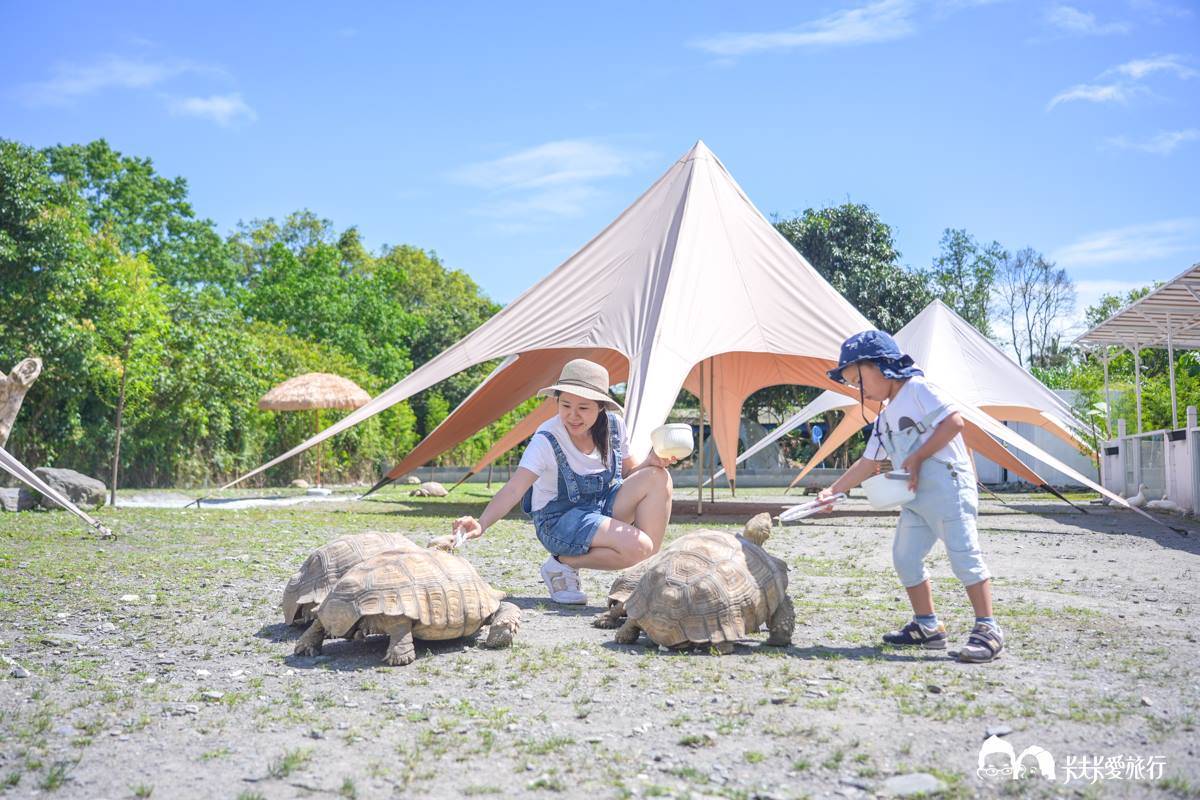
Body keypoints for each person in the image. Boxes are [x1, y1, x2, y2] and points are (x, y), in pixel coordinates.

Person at [815, 330, 1004, 663]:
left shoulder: (918, 389)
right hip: (915, 498)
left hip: (949, 489)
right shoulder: (883, 419)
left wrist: (916, 457)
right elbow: (868, 463)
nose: (860, 390)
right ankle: (927, 625)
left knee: (964, 556)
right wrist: (833, 491)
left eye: (858, 379)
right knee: (905, 557)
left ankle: (988, 627)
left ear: (882, 366)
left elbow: (954, 423)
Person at [451, 359, 677, 604]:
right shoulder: (546, 439)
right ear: (556, 400)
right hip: (558, 521)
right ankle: (561, 563)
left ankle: (644, 577)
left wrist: (652, 460)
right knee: (639, 546)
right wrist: (482, 523)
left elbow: (629, 472)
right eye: (565, 405)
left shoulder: (614, 427)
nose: (573, 415)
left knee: (658, 477)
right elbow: (516, 487)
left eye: (583, 407)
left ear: (600, 407)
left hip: (599, 507)